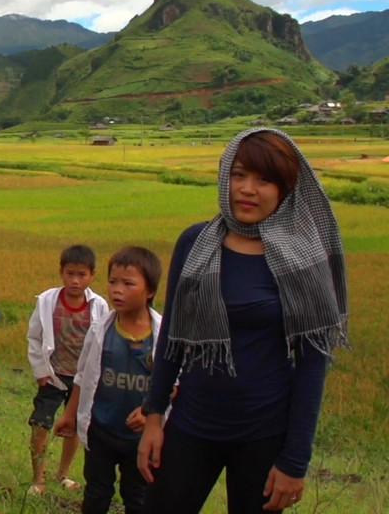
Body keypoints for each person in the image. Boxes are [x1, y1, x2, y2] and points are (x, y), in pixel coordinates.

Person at [137, 128, 349, 514]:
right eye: (238, 175)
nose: (248, 189)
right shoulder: (196, 243)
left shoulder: (303, 257)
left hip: (264, 432)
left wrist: (294, 461)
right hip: (192, 422)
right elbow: (173, 336)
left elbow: (311, 364)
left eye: (264, 179)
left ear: (286, 188)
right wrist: (154, 417)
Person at [55, 246, 163, 514]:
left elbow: (174, 384)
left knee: (137, 496)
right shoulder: (100, 328)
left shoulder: (163, 335)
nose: (117, 290)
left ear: (149, 291)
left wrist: (150, 411)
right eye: (113, 281)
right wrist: (70, 414)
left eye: (128, 283)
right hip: (101, 428)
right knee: (96, 493)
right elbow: (84, 375)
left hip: (140, 437)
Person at [26, 244, 108, 495]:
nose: (75, 280)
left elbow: (103, 343)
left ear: (92, 275)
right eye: (70, 273)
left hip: (82, 378)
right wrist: (41, 371)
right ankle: (38, 478)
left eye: (81, 275)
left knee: (73, 425)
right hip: (53, 375)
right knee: (41, 423)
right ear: (61, 272)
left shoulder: (99, 306)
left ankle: (63, 473)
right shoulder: (47, 301)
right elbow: (34, 337)